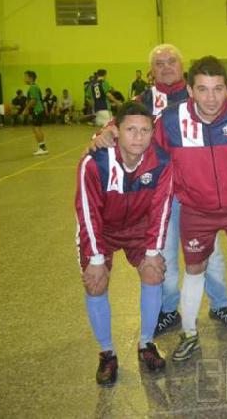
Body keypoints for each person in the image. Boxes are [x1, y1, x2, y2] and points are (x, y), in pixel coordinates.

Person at [91, 44, 227, 338]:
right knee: (165, 253)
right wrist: (103, 134)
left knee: (210, 254)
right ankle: (169, 309)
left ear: (182, 65)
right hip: (160, 194)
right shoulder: (142, 100)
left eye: (171, 61)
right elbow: (117, 125)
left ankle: (220, 304)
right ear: (152, 70)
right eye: (159, 63)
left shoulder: (199, 92)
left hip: (196, 191)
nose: (165, 67)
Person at [152, 56, 227, 362]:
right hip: (196, 210)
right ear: (190, 91)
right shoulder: (170, 119)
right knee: (195, 270)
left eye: (218, 89)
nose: (211, 98)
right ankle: (190, 333)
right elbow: (142, 146)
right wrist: (107, 133)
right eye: (203, 89)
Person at [75, 101, 175, 386]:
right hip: (101, 230)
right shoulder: (95, 162)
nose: (138, 137)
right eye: (130, 129)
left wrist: (153, 253)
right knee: (95, 282)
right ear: (115, 131)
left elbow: (161, 209)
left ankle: (146, 344)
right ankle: (107, 352)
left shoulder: (162, 162)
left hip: (138, 229)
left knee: (154, 272)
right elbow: (87, 212)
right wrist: (95, 259)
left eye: (145, 131)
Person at [24, 71, 48, 155]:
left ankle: (42, 148)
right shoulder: (34, 87)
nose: (24, 79)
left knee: (36, 128)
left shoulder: (33, 87)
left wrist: (26, 109)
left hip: (37, 110)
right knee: (37, 128)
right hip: (39, 110)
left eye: (25, 77)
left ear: (30, 78)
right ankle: (42, 146)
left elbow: (33, 100)